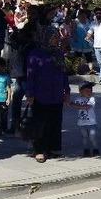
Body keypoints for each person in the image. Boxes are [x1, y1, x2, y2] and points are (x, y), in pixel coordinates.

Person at [26, 29, 70, 163]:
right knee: (40, 123)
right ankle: (39, 150)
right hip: (40, 94)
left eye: (57, 37)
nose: (56, 39)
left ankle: (51, 149)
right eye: (53, 37)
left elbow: (64, 74)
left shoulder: (58, 53)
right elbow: (30, 75)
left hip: (56, 94)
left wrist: (66, 91)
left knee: (54, 122)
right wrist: (30, 93)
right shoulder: (35, 54)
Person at [68, 81, 99, 156]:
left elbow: (87, 107)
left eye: (90, 90)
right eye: (87, 91)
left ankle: (95, 149)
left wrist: (74, 105)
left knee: (92, 137)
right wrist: (71, 103)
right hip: (81, 123)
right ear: (81, 92)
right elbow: (71, 104)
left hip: (91, 123)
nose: (89, 92)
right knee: (84, 137)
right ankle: (86, 150)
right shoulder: (78, 99)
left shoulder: (92, 99)